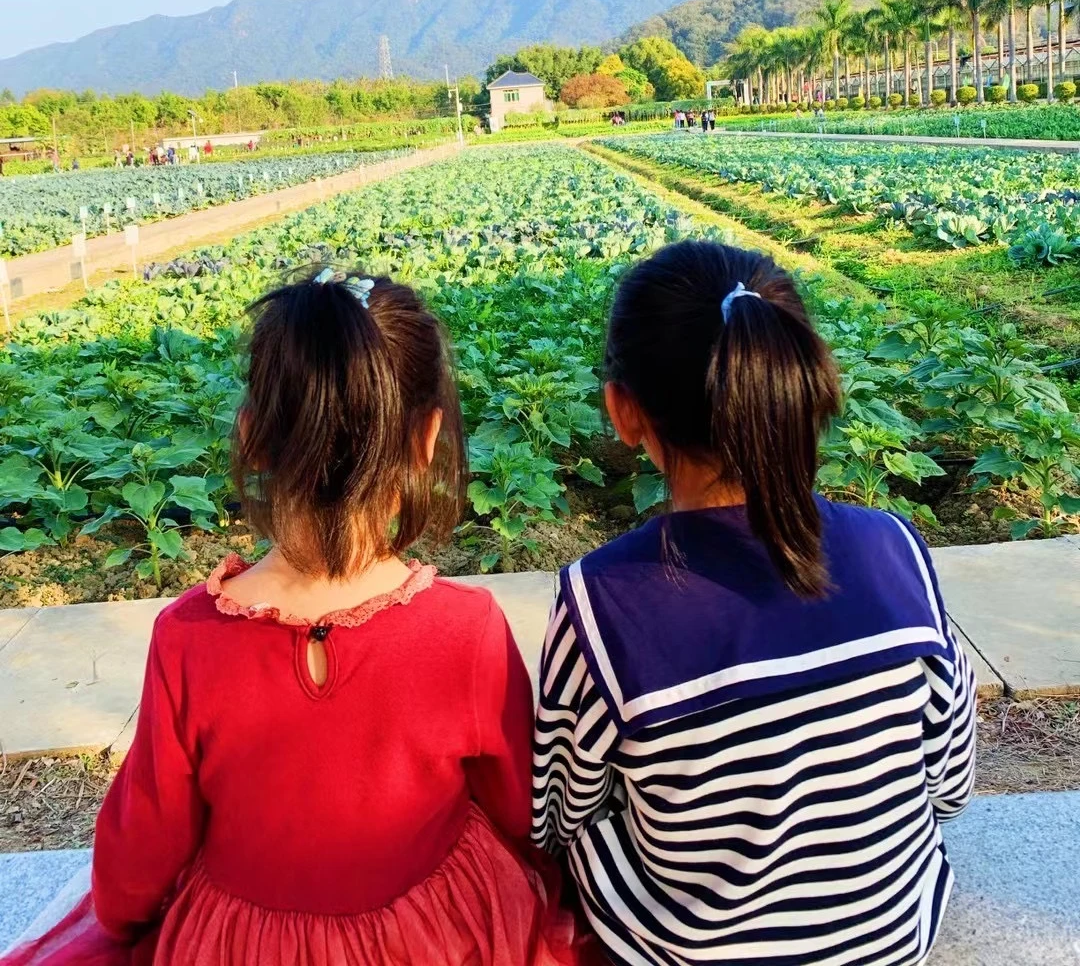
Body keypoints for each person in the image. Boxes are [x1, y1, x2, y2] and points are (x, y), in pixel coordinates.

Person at [7, 269, 576, 966]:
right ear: (427, 439)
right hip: (434, 935)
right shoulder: (469, 629)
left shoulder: (189, 638)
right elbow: (521, 809)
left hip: (238, 946)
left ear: (252, 438)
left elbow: (142, 849)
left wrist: (123, 927)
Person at [533, 239, 976, 966]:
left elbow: (557, 812)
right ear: (795, 382)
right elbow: (949, 784)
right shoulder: (895, 550)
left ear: (624, 411)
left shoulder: (603, 598)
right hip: (890, 940)